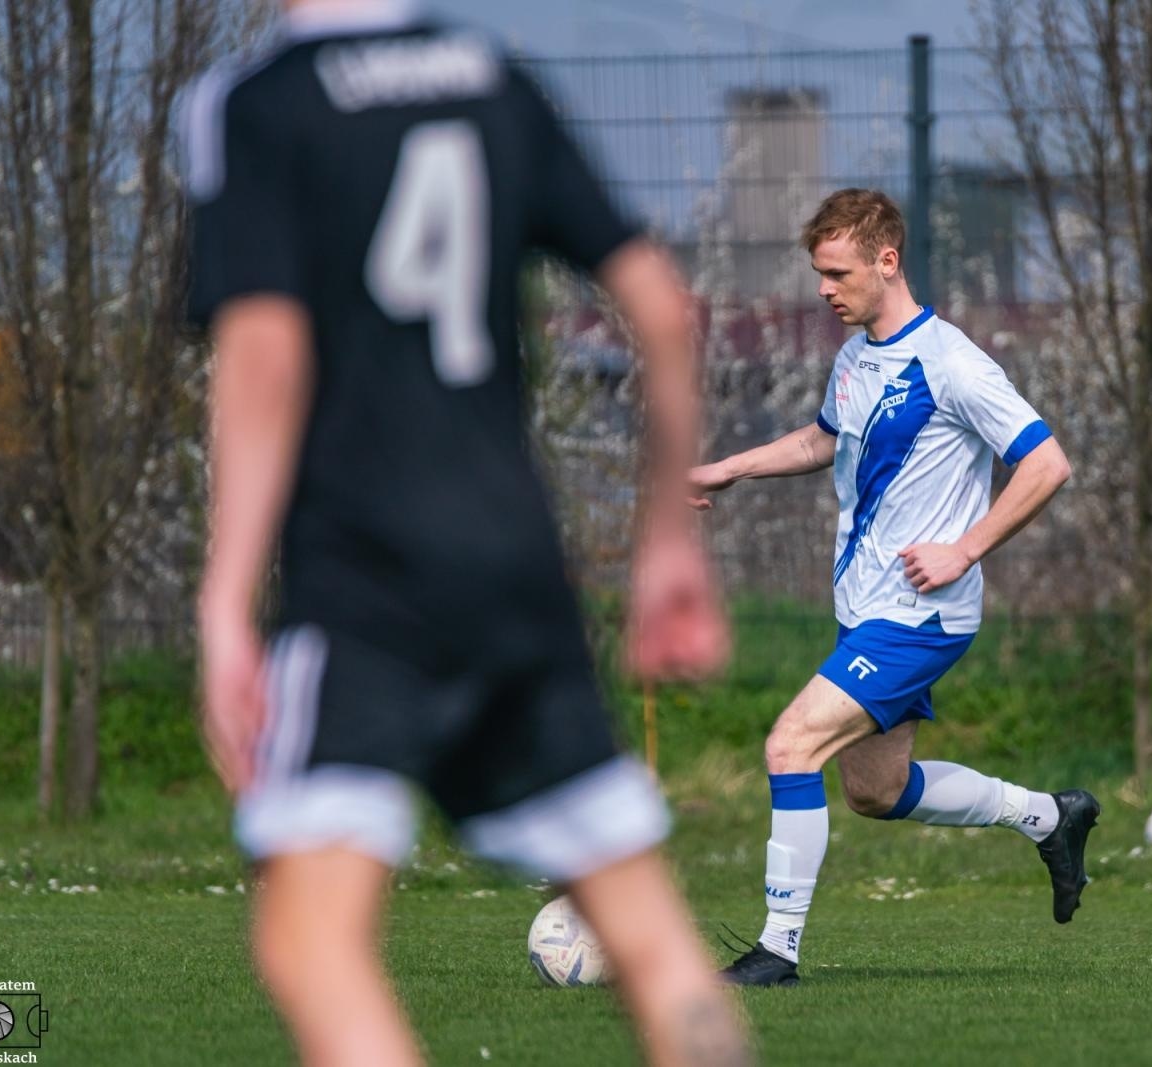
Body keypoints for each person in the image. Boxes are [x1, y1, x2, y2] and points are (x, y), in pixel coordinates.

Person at [182, 2, 749, 1063]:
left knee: (310, 939)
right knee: (647, 934)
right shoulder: (492, 76)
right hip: (518, 568)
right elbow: (662, 309)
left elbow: (266, 356)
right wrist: (669, 540)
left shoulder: (256, 105)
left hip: (364, 582)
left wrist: (223, 604)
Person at [689, 188, 1098, 987]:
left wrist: (965, 549)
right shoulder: (856, 356)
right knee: (875, 790)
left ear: (887, 261)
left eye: (838, 273)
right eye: (819, 273)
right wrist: (732, 467)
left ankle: (777, 951)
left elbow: (1047, 463)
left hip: (921, 616)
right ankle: (1051, 816)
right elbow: (823, 439)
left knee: (790, 745)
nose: (823, 289)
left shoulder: (952, 362)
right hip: (866, 609)